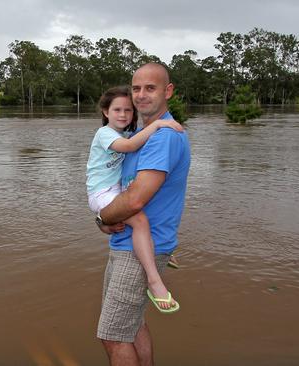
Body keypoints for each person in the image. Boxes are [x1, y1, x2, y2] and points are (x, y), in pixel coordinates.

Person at [95, 63, 191, 366]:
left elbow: (135, 201)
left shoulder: (164, 137)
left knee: (113, 334)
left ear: (168, 91)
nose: (141, 95)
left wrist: (103, 218)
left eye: (150, 88)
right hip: (126, 243)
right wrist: (106, 221)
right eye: (136, 88)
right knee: (131, 325)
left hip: (139, 252)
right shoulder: (138, 134)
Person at [86, 86, 183, 312]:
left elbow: (135, 142)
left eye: (128, 111)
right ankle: (154, 280)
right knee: (139, 220)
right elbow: (130, 147)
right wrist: (158, 124)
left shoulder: (124, 134)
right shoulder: (105, 134)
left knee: (141, 218)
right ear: (105, 112)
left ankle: (158, 251)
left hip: (114, 191)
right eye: (117, 110)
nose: (123, 115)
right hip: (101, 193)